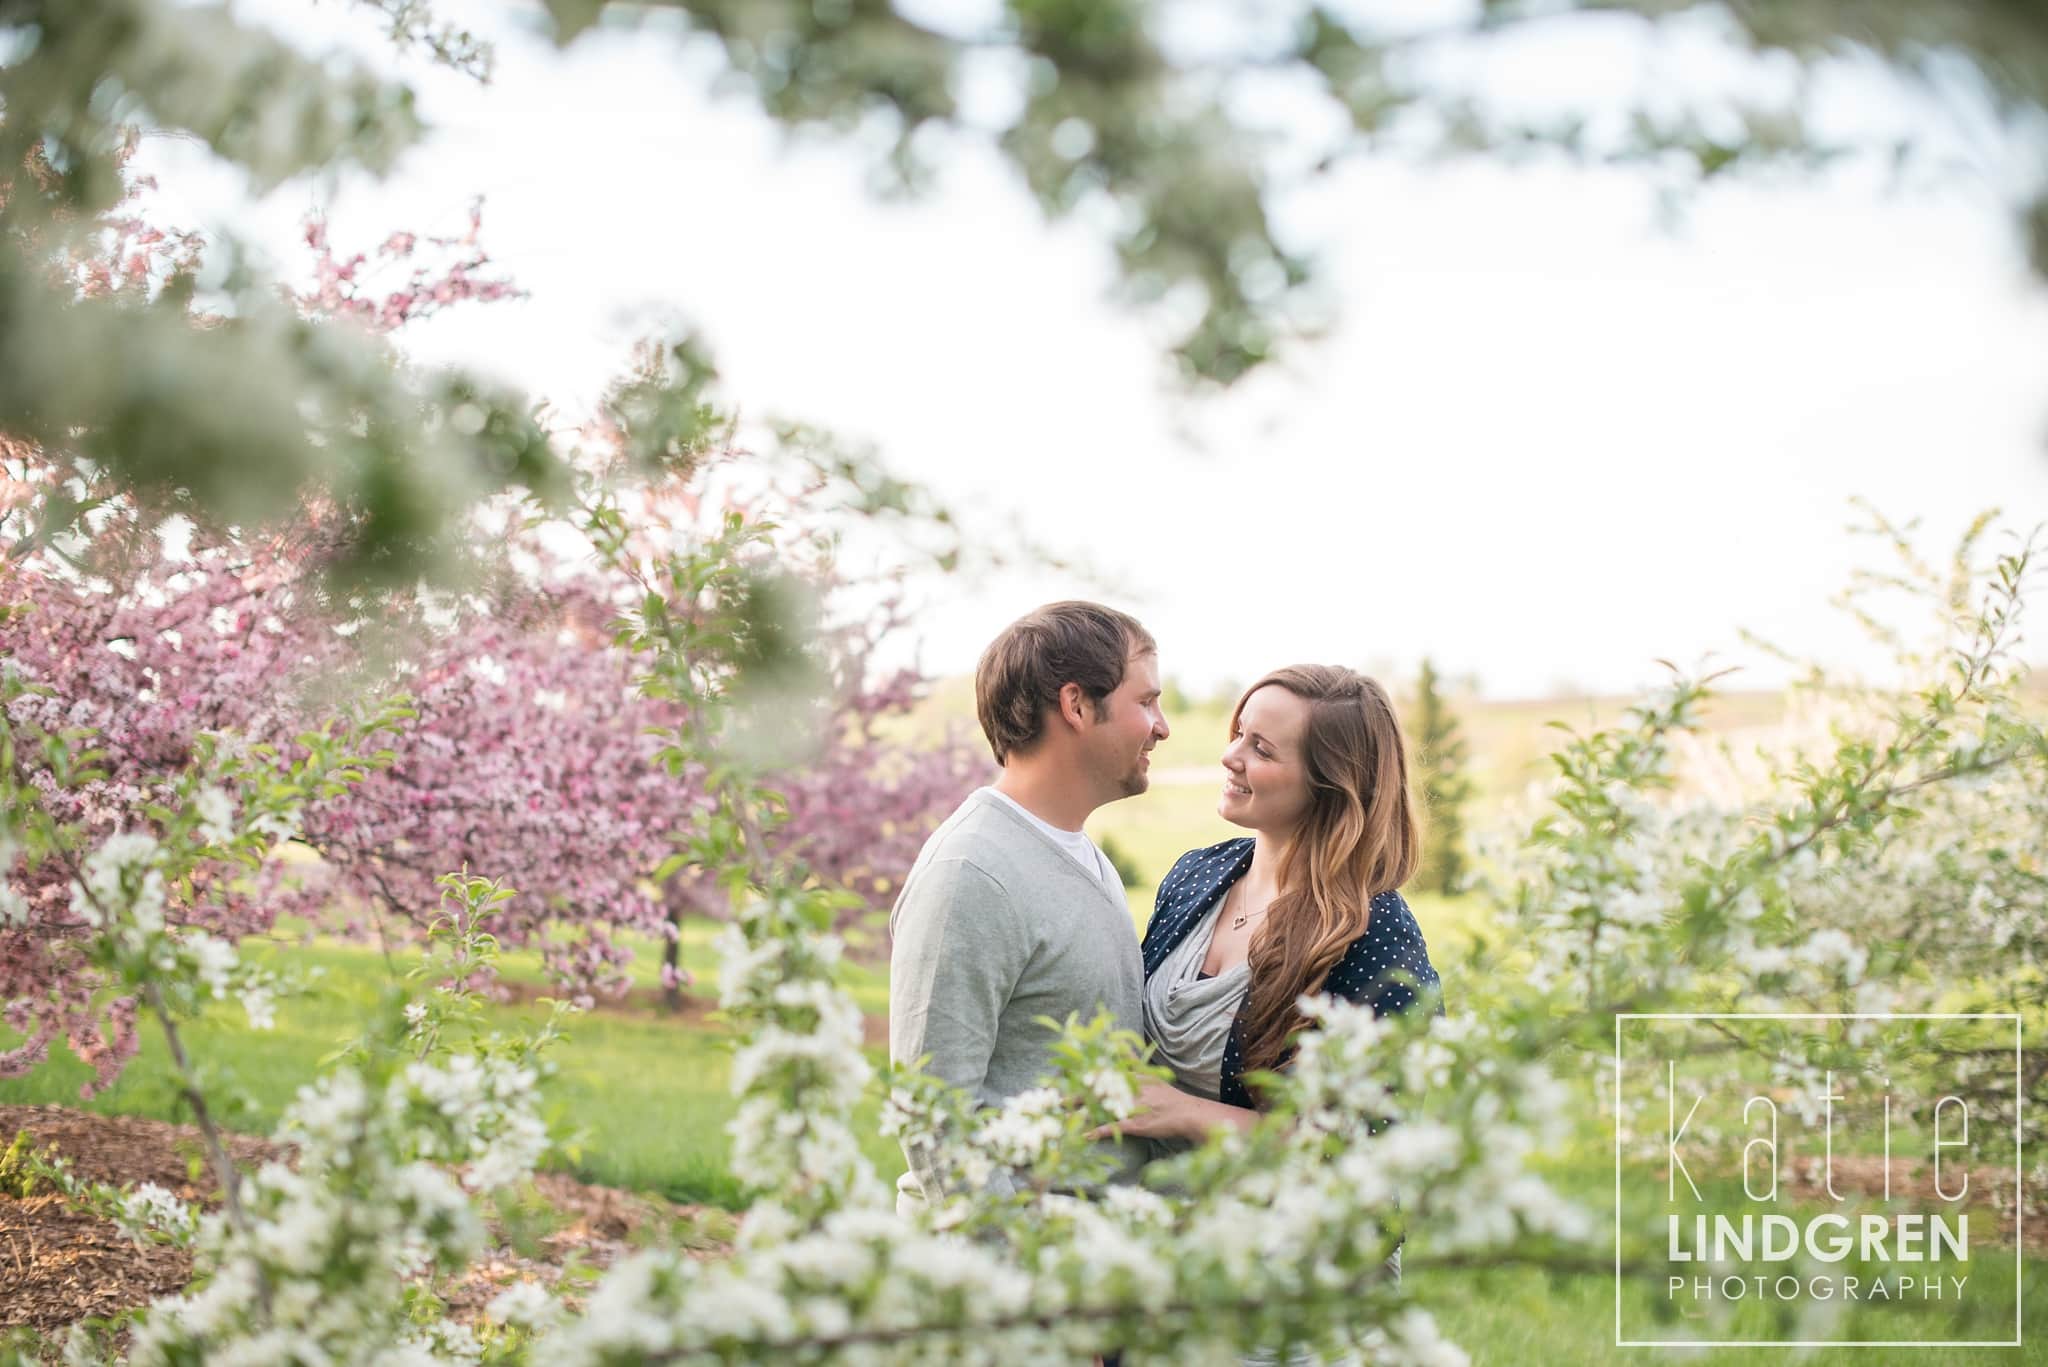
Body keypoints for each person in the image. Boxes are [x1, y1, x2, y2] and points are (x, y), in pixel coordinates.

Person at [1103, 664, 1441, 1299]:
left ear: (1330, 786)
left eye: (1261, 749)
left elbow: (1368, 1154)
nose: (1230, 756)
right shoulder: (1196, 877)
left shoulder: (1372, 933)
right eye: (1238, 733)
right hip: (1171, 1264)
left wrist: (1183, 1113)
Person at [887, 601, 1170, 1216]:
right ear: (1075, 706)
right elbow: (934, 1122)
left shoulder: (1084, 857)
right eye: (1145, 702)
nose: (1163, 726)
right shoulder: (971, 873)